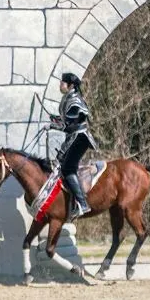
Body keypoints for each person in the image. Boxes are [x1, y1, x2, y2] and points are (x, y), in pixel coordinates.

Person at [49, 72, 97, 220]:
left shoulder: (75, 101)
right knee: (61, 166)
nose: (60, 85)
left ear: (70, 86)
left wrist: (53, 125)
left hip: (80, 138)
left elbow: (71, 125)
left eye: (62, 83)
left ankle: (82, 203)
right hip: (73, 138)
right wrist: (55, 119)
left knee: (68, 168)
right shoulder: (68, 98)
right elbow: (66, 120)